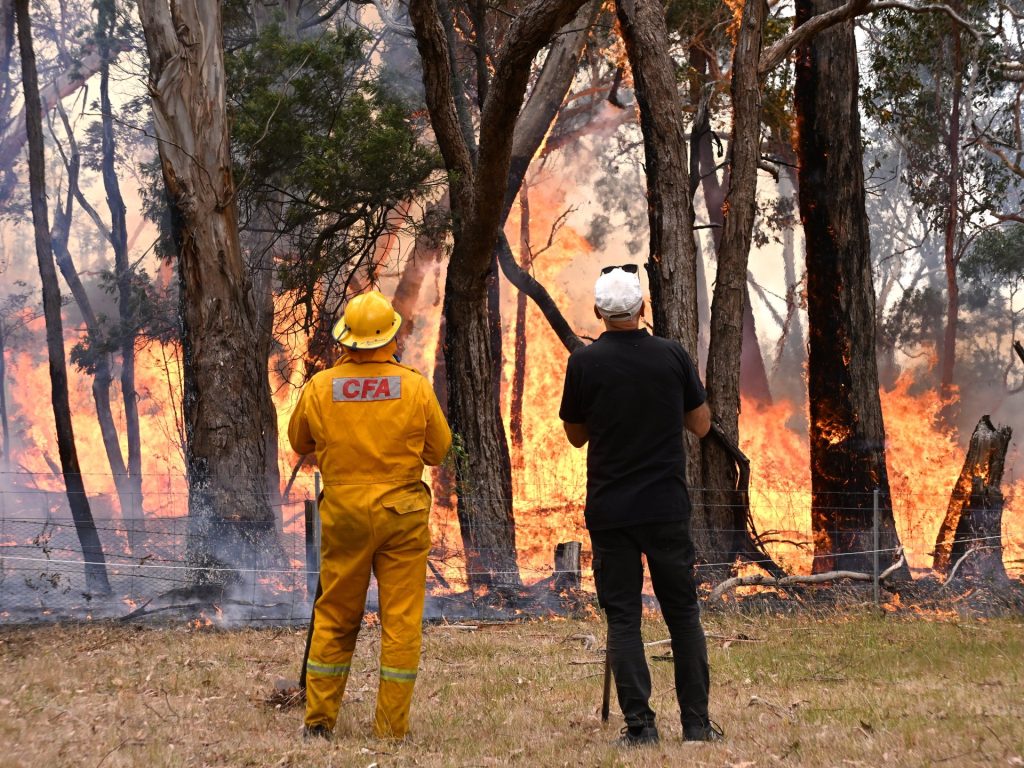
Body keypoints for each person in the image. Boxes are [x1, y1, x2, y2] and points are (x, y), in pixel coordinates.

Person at [558, 264, 721, 746]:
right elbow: (701, 425)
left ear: (598, 312)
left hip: (612, 511)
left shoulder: (584, 363)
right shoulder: (672, 355)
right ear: (642, 308)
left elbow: (575, 436)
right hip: (666, 507)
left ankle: (641, 729)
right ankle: (696, 726)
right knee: (683, 614)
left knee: (624, 618)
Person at [288, 289, 451, 741]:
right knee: (400, 623)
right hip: (402, 516)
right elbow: (438, 451)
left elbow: (299, 442)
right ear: (390, 338)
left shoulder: (321, 387)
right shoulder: (414, 386)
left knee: (336, 617)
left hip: (345, 519)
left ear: (346, 339)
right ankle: (390, 730)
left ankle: (319, 723)